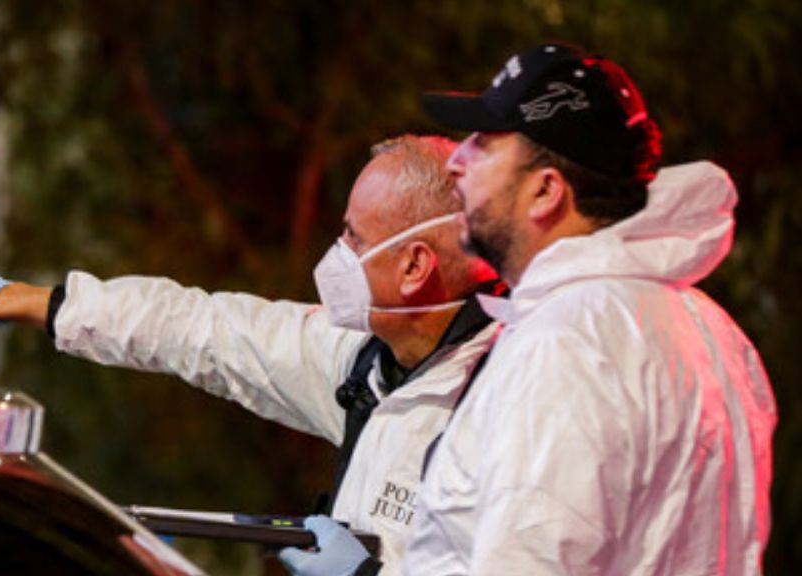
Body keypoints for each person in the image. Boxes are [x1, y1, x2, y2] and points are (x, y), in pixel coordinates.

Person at [0, 135, 502, 575]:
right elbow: (201, 330)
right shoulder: (368, 366)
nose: (337, 252)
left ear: (415, 266)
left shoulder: (506, 399)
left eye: (353, 237)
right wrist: (19, 300)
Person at [278, 43, 777, 576]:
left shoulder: (566, 346)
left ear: (545, 192)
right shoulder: (710, 331)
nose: (456, 162)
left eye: (485, 145)